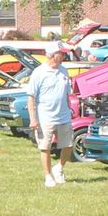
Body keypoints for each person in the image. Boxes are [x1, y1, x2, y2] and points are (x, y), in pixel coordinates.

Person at [26, 46, 76, 187]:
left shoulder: (64, 71)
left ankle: (59, 168)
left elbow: (66, 94)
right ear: (53, 55)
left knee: (68, 144)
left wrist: (70, 109)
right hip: (45, 117)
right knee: (45, 147)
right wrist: (33, 118)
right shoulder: (39, 72)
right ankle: (48, 176)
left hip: (64, 116)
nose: (64, 56)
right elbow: (31, 98)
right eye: (61, 53)